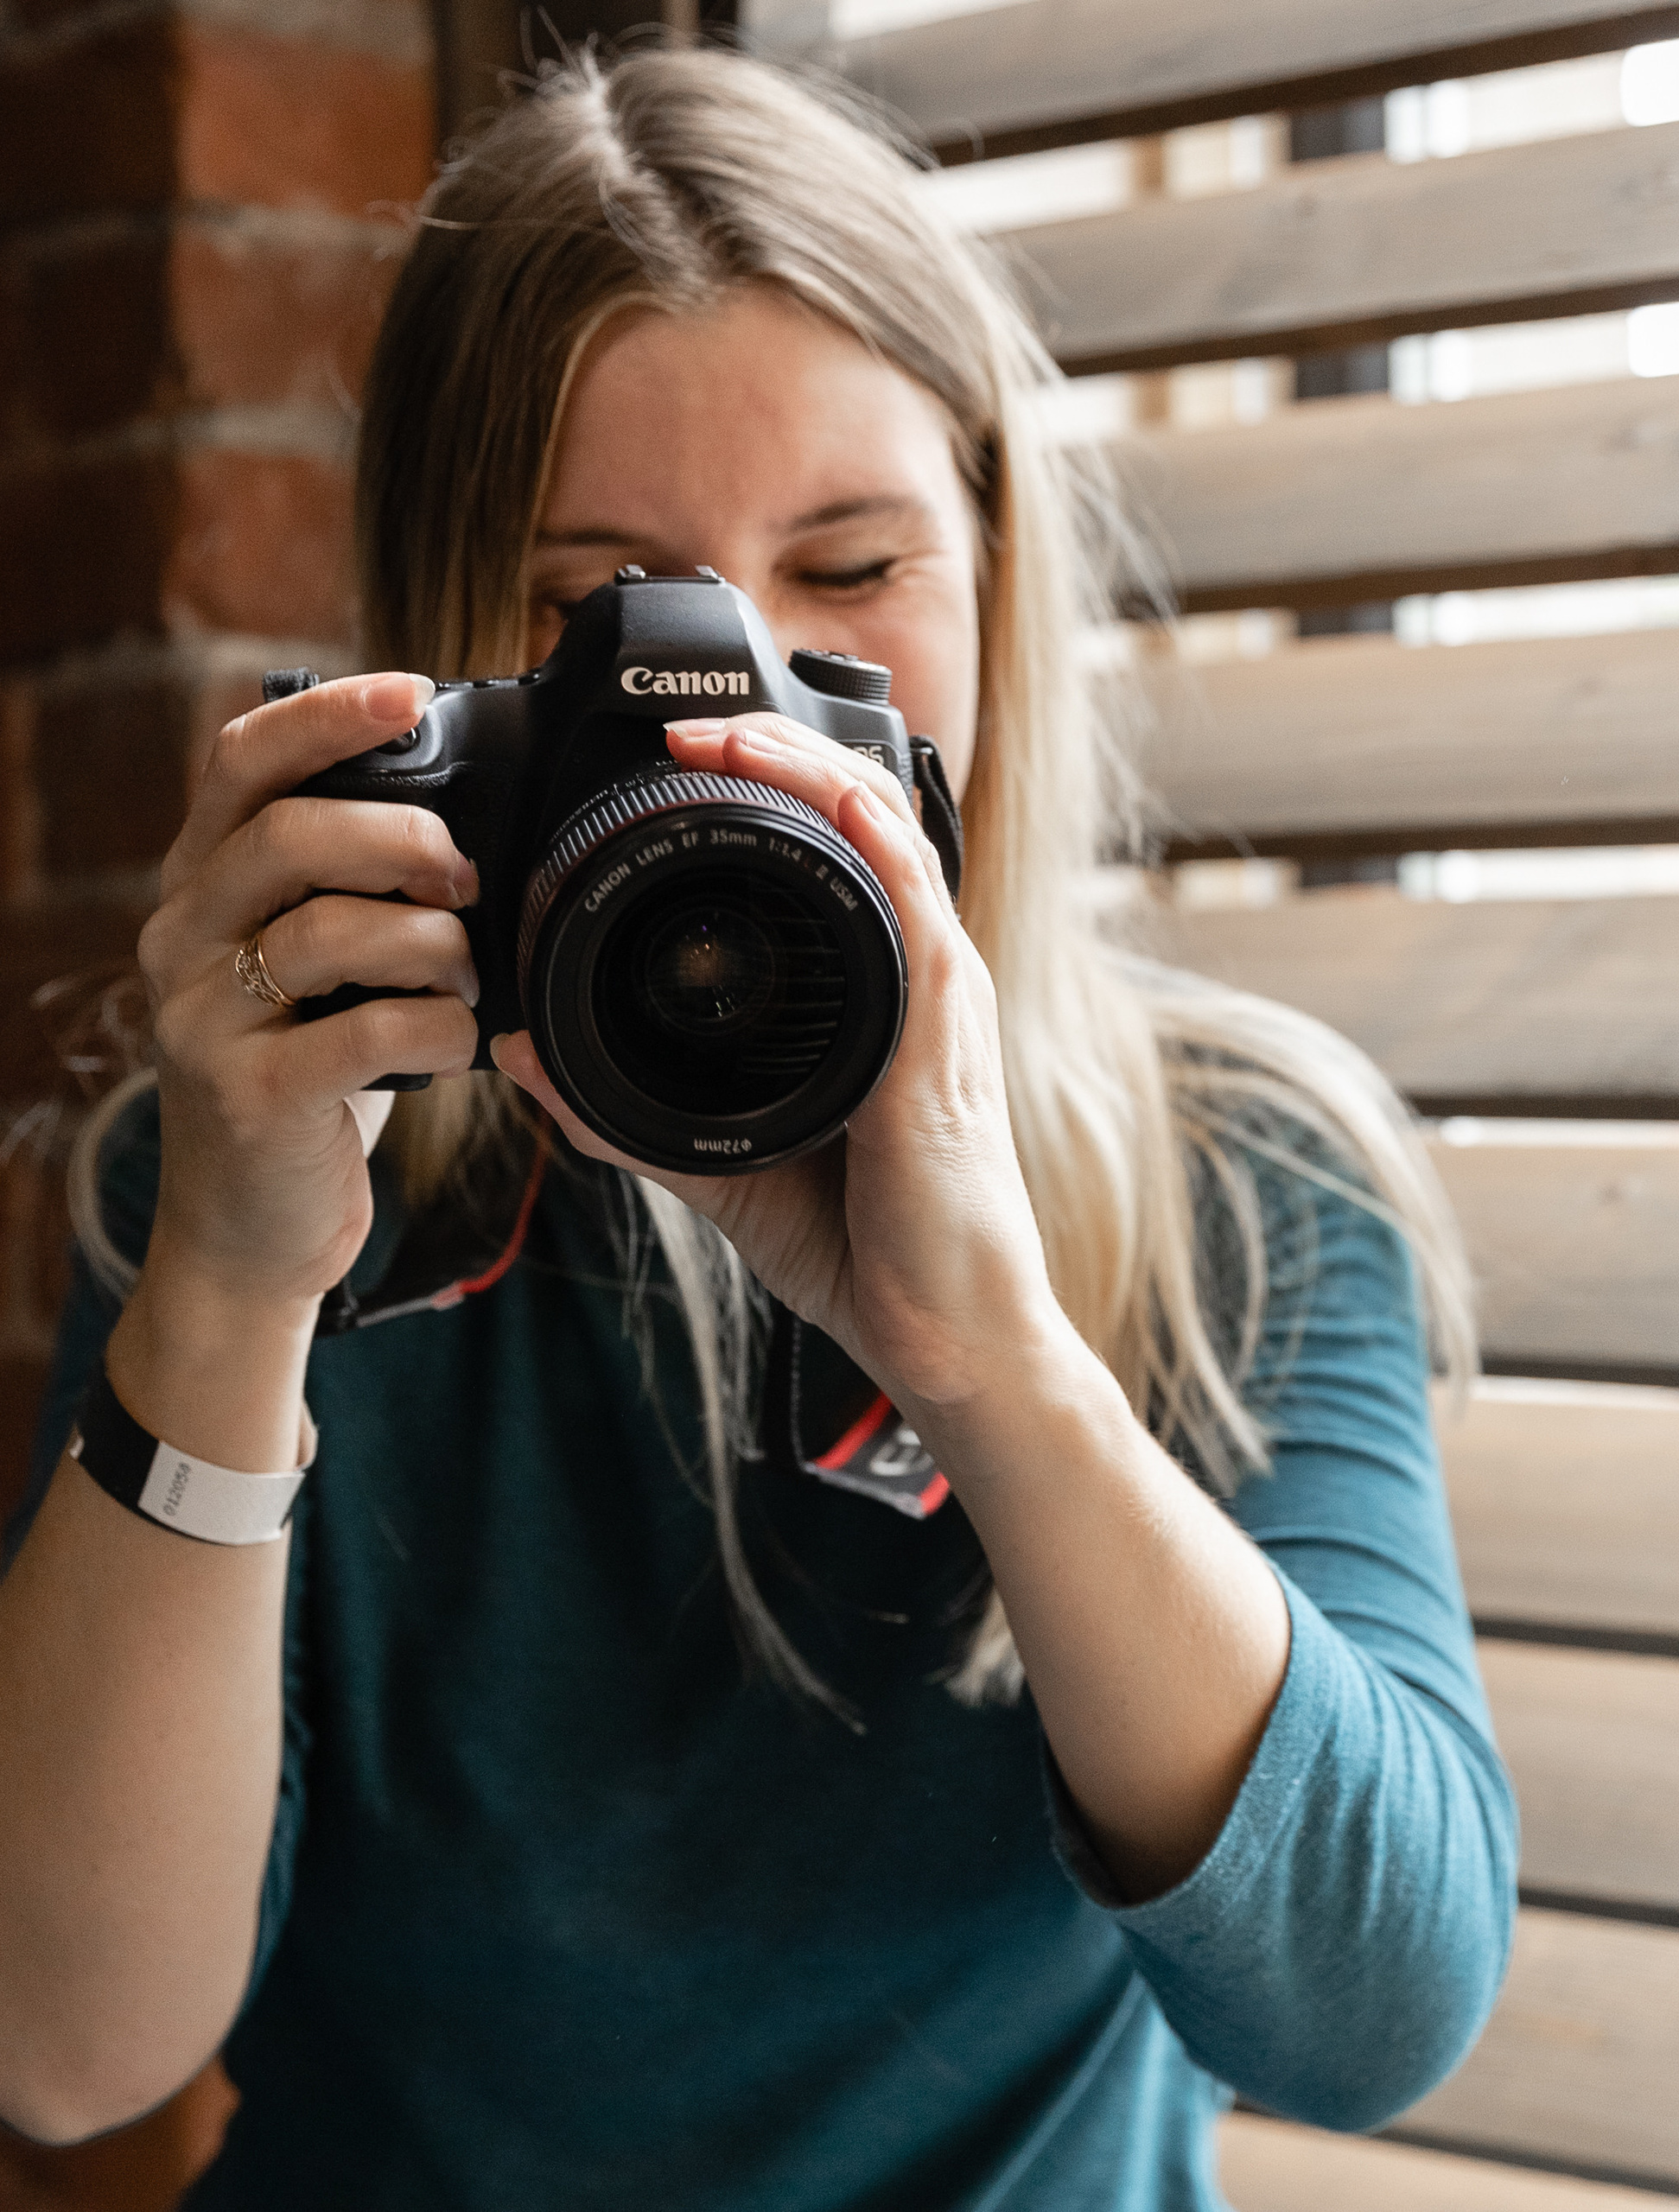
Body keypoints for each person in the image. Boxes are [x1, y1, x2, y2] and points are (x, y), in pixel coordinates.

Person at [0, 43, 1517, 2210]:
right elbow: (61, 2047)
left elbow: (1371, 2015)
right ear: (423, 663)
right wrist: (234, 1286)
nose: (727, 706)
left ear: (997, 578)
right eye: (587, 607)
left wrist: (987, 1348)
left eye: (848, 571)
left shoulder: (1228, 1183)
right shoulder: (262, 1183)